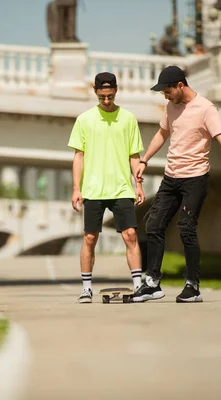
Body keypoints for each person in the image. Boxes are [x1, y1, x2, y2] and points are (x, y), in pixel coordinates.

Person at [132, 65, 221, 303]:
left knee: (186, 227)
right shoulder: (170, 106)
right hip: (170, 176)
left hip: (195, 178)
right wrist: (144, 160)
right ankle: (152, 283)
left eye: (167, 90)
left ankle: (192, 285)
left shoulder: (206, 109)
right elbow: (162, 134)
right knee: (153, 224)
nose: (165, 95)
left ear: (180, 86)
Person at [68, 72, 145, 304]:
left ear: (116, 91)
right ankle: (86, 288)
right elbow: (78, 156)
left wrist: (138, 185)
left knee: (130, 235)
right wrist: (76, 188)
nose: (107, 101)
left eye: (110, 96)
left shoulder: (128, 118)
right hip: (93, 189)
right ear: (95, 92)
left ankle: (139, 286)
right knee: (90, 238)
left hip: (122, 188)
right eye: (102, 97)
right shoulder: (84, 119)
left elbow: (134, 155)